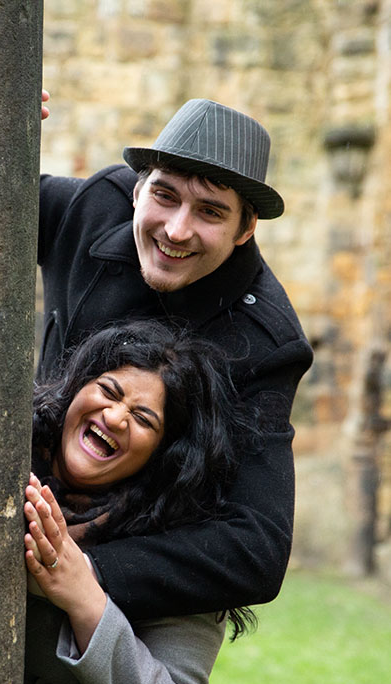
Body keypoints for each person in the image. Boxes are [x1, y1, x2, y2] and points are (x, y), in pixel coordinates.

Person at [37, 97, 314, 620]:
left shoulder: (263, 343)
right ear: (137, 190)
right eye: (165, 196)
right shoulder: (93, 208)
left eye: (210, 211)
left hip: (123, 598)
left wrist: (80, 570)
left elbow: (256, 549)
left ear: (245, 227)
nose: (177, 229)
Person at [20, 320, 255, 684]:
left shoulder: (180, 545)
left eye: (144, 419)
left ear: (166, 455)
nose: (116, 416)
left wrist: (85, 597)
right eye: (107, 391)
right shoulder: (6, 456)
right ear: (75, 391)